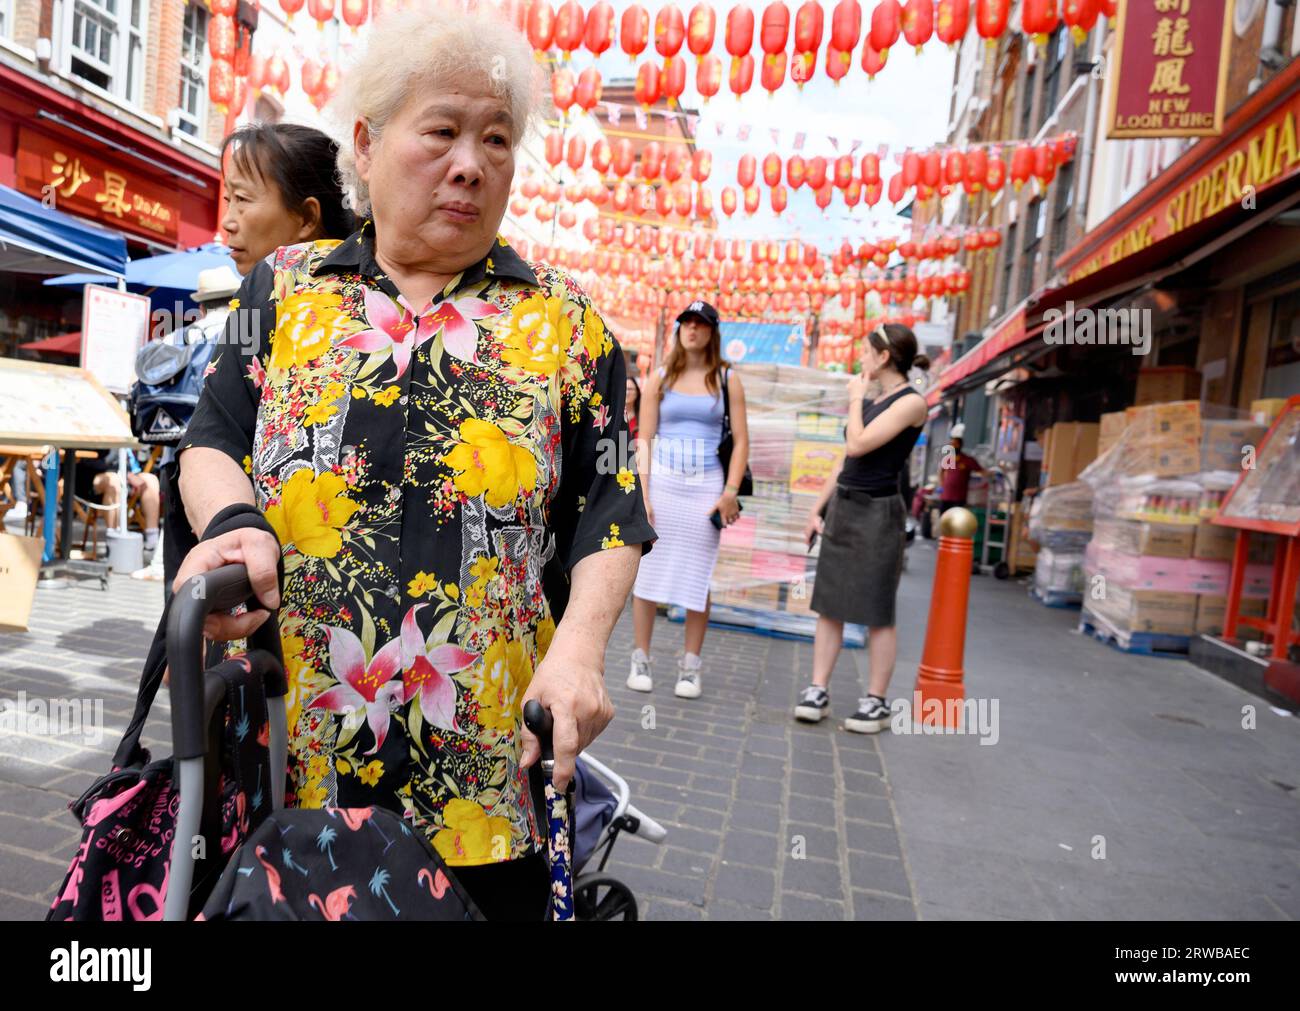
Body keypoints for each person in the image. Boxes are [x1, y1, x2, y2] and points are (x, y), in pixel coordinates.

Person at [174, 1, 653, 921]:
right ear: (366, 139)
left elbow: (614, 504)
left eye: (498, 140)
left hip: (485, 784)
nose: (471, 163)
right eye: (441, 130)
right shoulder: (282, 290)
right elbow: (213, 439)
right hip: (294, 758)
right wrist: (233, 525)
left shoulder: (571, 324)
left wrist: (583, 650)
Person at [154, 124, 357, 590]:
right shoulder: (254, 300)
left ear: (307, 218)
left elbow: (215, 423)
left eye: (243, 201)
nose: (227, 220)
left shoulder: (269, 291)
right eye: (228, 200)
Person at [797, 324, 930, 732]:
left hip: (878, 512)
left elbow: (858, 444)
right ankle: (818, 689)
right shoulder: (877, 399)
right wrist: (816, 508)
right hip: (846, 507)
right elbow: (845, 461)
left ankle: (876, 701)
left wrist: (855, 399)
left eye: (867, 352)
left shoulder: (911, 403)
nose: (862, 359)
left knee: (877, 609)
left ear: (884, 357)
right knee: (830, 603)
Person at [628, 299, 749, 700]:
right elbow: (643, 439)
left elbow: (743, 440)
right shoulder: (660, 377)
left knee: (699, 576)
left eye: (701, 324)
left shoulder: (727, 378)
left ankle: (690, 665)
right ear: (679, 329)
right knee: (647, 570)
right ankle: (640, 657)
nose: (692, 329)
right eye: (686, 323)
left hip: (706, 486)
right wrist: (642, 493)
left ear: (713, 331)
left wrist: (730, 492)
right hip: (662, 482)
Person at [132, 266, 242, 581]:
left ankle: (178, 624)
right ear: (237, 300)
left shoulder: (176, 337)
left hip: (174, 455)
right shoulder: (244, 333)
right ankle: (218, 626)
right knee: (224, 553)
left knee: (178, 555)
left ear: (203, 305)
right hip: (229, 463)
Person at [73, 449, 160, 550]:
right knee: (114, 481)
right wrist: (126, 474)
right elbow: (88, 461)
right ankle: (113, 542)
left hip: (126, 474)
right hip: (92, 476)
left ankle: (152, 541)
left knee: (151, 479)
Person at [938, 423, 983, 511]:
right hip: (946, 495)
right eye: (951, 444)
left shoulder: (968, 460)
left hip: (959, 497)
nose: (952, 446)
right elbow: (941, 471)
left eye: (955, 444)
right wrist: (942, 484)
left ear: (959, 445)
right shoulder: (948, 459)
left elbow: (981, 471)